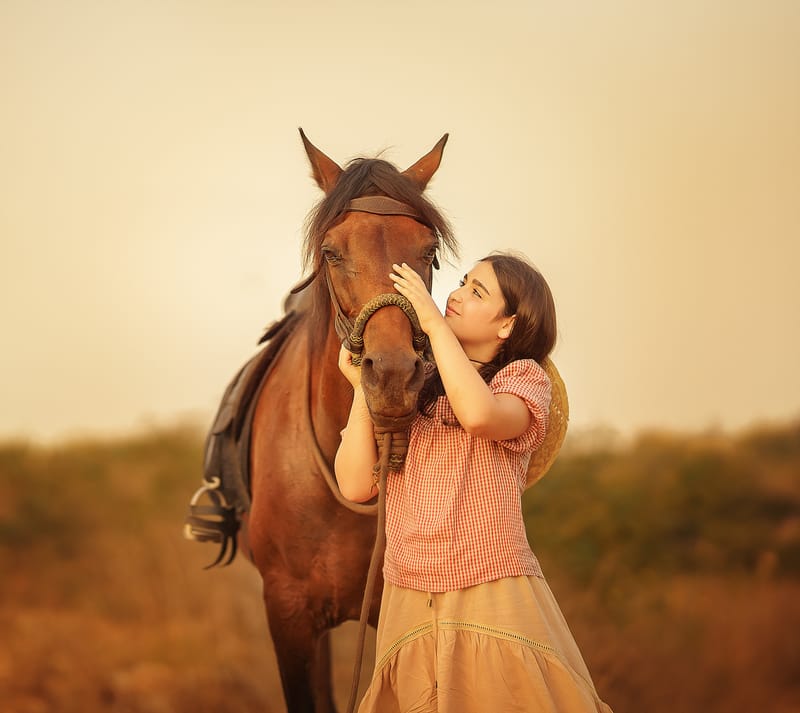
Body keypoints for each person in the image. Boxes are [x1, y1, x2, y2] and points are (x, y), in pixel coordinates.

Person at [335, 252, 613, 713]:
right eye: (462, 283)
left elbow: (480, 415)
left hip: (488, 584)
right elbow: (355, 485)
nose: (456, 295)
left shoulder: (523, 379)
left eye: (477, 292)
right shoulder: (415, 386)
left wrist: (433, 324)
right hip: (408, 591)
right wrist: (361, 387)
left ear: (508, 325)